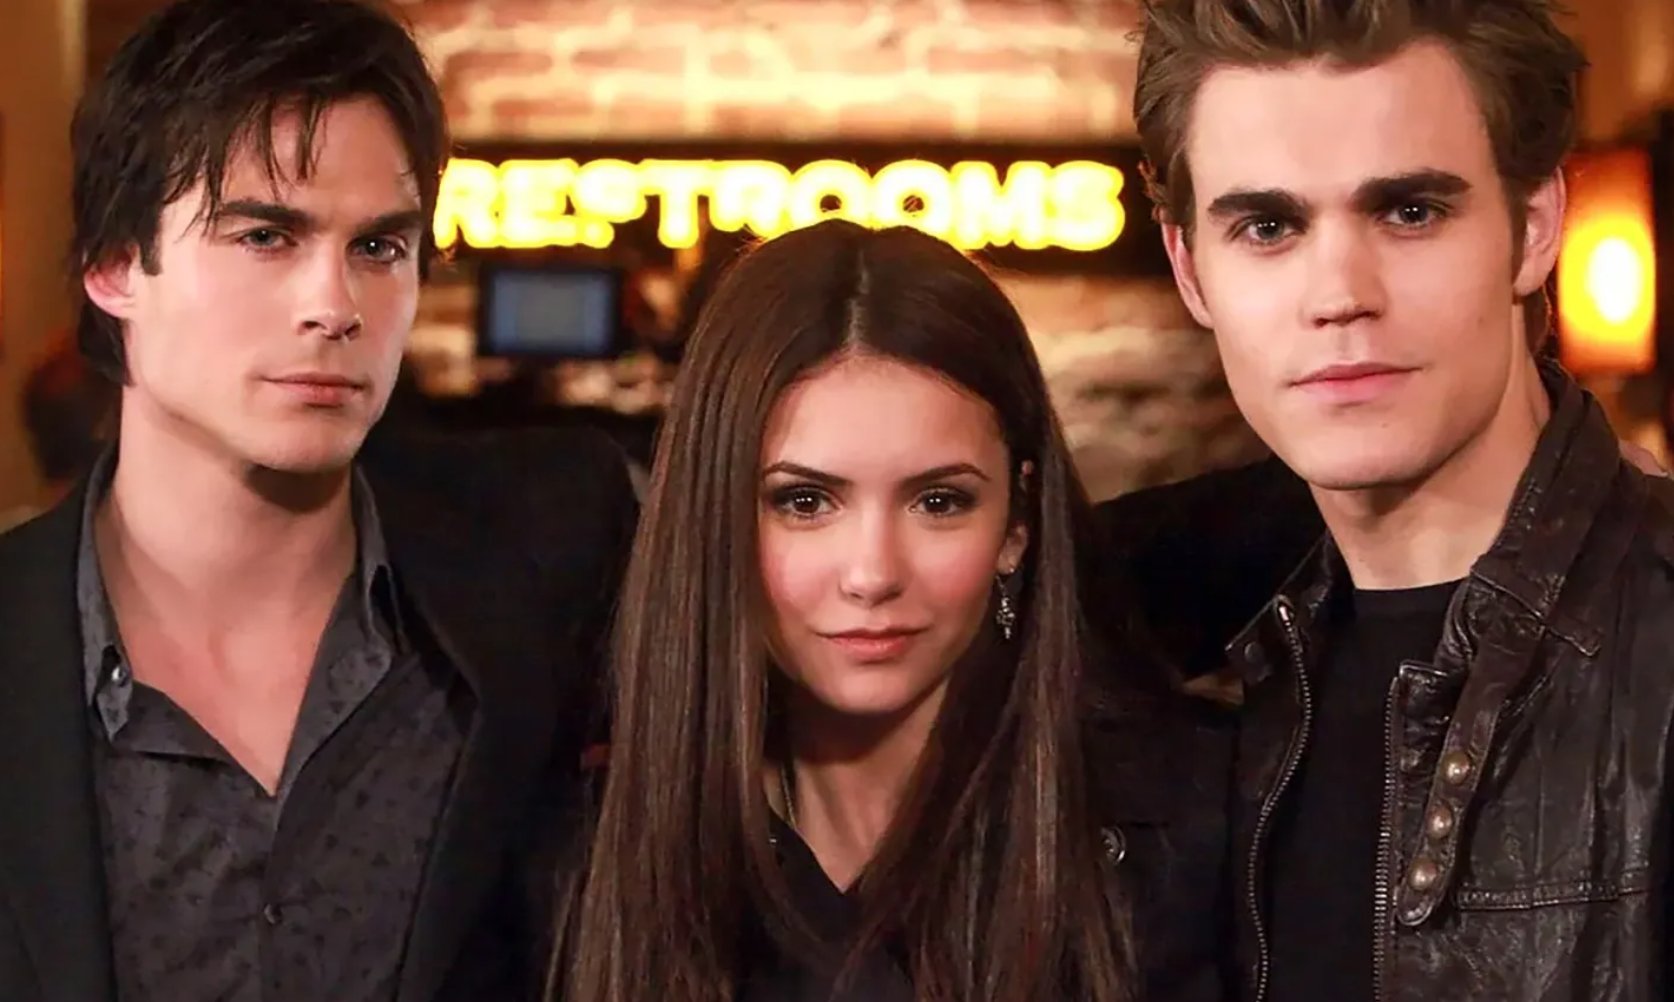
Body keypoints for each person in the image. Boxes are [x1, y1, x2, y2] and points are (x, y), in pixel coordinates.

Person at [0, 1, 637, 1001]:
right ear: (115, 265)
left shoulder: (547, 554)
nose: (334, 307)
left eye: (379, 248)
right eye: (265, 235)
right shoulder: (25, 641)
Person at [1104, 1, 1674, 1000]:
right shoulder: (1175, 672)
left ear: (1535, 227)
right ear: (1191, 269)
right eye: (1268, 227)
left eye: (1409, 212)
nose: (1340, 294)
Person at [544, 219, 1233, 1002]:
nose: (872, 574)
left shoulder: (1193, 831)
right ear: (716, 515)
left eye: (939, 502)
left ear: (1017, 524)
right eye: (804, 502)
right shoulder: (579, 853)